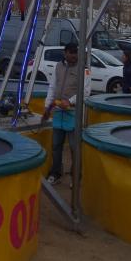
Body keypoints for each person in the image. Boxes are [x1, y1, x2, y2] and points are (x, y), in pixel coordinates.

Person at [41, 43, 90, 184]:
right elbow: (53, 86)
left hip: (73, 113)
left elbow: (85, 91)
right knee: (56, 145)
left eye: (76, 52)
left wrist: (70, 101)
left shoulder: (84, 69)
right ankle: (56, 173)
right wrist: (47, 105)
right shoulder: (58, 66)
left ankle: (76, 176)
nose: (74, 55)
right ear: (65, 53)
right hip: (58, 111)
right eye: (72, 52)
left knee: (75, 147)